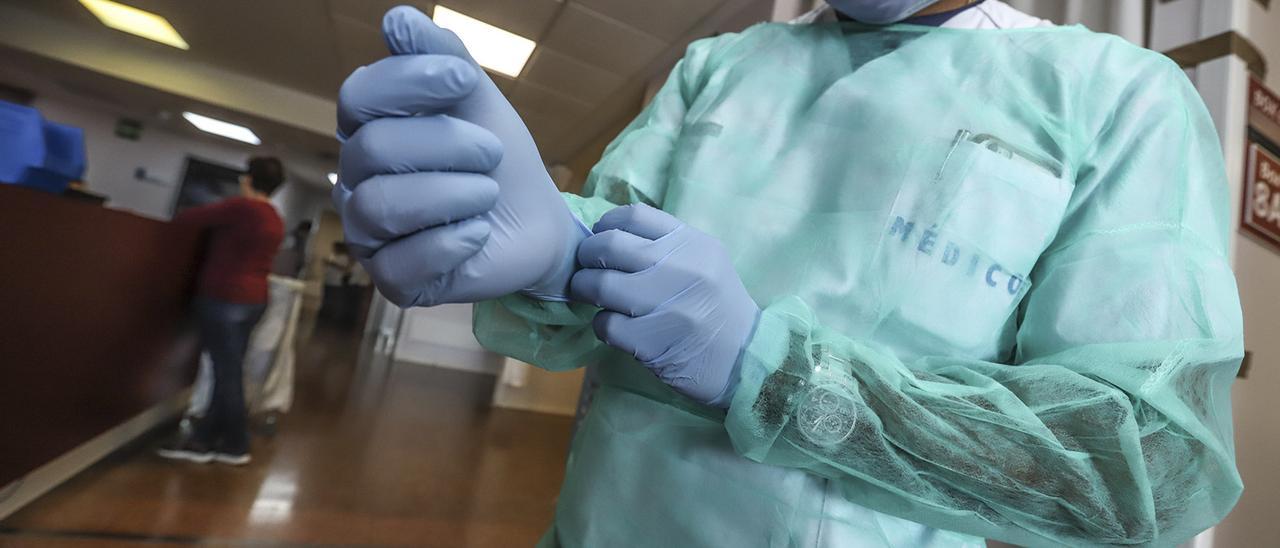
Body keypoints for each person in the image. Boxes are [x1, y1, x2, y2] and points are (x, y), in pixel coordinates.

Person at [331, 1, 1244, 546]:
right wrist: (560, 258)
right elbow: (580, 297)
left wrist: (773, 368)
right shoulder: (719, 69)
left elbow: (1142, 466)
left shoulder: (1113, 95)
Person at [159, 156, 285, 465]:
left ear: (247, 179)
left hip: (226, 296)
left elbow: (188, 219)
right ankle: (205, 440)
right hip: (254, 299)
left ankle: (235, 444)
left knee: (226, 374)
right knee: (227, 371)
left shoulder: (242, 208)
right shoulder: (273, 216)